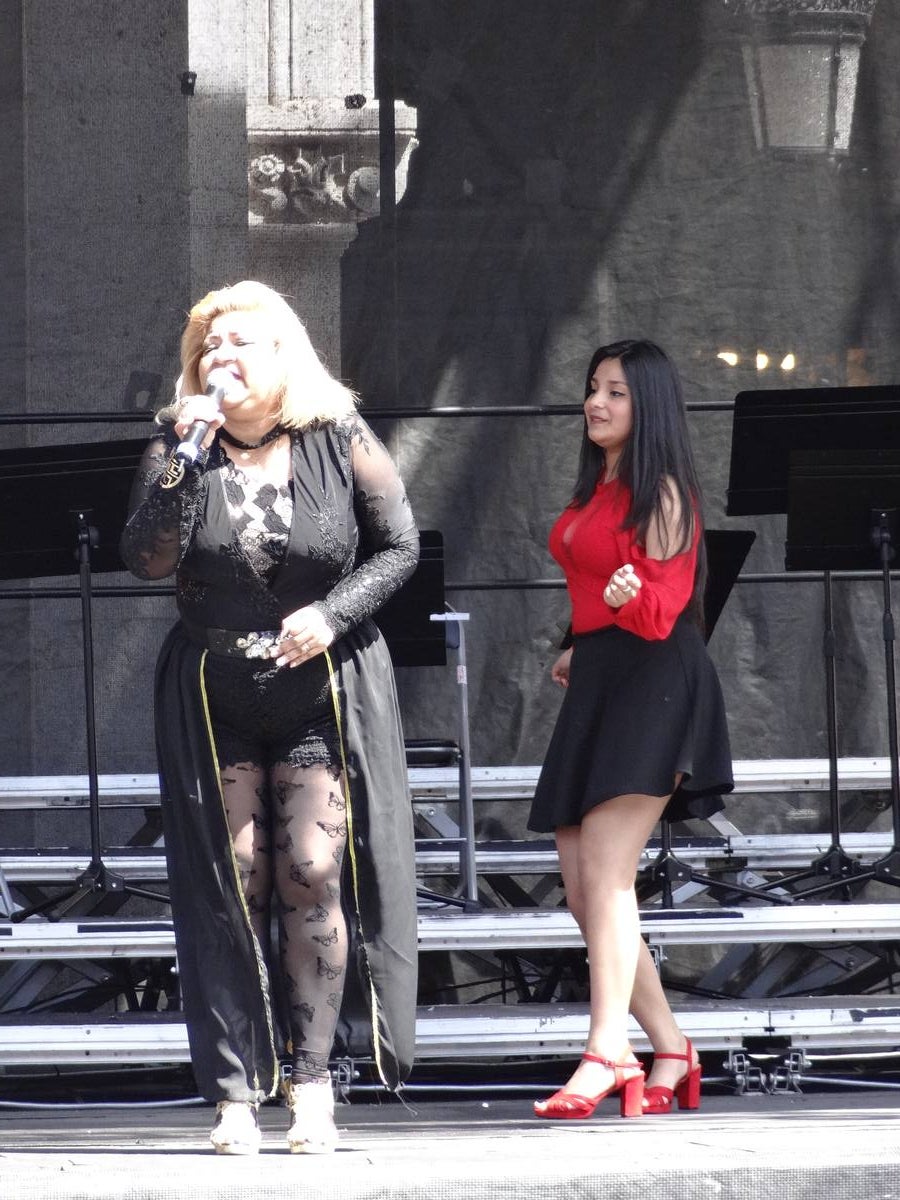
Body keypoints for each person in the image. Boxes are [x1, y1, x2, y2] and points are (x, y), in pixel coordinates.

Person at [120, 280, 419, 1155]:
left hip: (315, 689)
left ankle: (314, 1081)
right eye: (209, 347)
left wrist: (333, 612)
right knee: (235, 878)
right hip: (215, 693)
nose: (222, 356)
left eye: (240, 342)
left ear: (284, 354)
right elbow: (146, 558)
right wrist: (182, 456)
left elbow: (399, 545)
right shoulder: (179, 444)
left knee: (312, 871)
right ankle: (236, 1092)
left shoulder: (337, 435)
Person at [528, 339, 733, 1120]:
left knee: (609, 877)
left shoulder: (665, 494)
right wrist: (580, 642)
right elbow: (599, 587)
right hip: (603, 680)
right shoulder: (599, 490)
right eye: (593, 388)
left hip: (657, 684)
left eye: (615, 391)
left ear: (648, 406)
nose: (596, 402)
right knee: (586, 892)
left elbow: (657, 613)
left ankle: (607, 1050)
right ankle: (672, 1048)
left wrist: (622, 598)